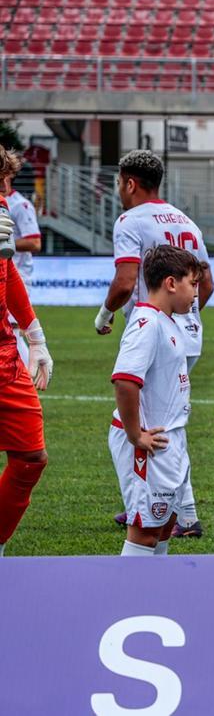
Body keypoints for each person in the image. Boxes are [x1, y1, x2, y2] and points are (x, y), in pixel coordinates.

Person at [97, 149, 214, 538]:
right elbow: (206, 284)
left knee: (133, 427)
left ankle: (146, 507)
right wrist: (186, 317)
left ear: (129, 183)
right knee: (168, 423)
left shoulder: (130, 220)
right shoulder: (187, 221)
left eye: (119, 183)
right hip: (188, 333)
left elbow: (126, 282)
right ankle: (180, 512)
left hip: (153, 330)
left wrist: (105, 314)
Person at [108, 246, 202, 557]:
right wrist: (136, 434)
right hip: (149, 442)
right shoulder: (146, 323)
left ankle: (157, 598)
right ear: (171, 283)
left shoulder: (167, 320)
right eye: (194, 284)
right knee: (145, 533)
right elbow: (125, 379)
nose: (196, 293)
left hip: (171, 438)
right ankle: (128, 600)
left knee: (163, 528)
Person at [0, 199, 53, 558]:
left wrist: (35, 337)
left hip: (5, 356)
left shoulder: (1, 204)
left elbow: (7, 270)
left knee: (32, 457)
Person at [0, 150, 41, 364]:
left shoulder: (20, 205)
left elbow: (35, 242)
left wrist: (5, 244)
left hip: (15, 275)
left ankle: (24, 376)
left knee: (12, 331)